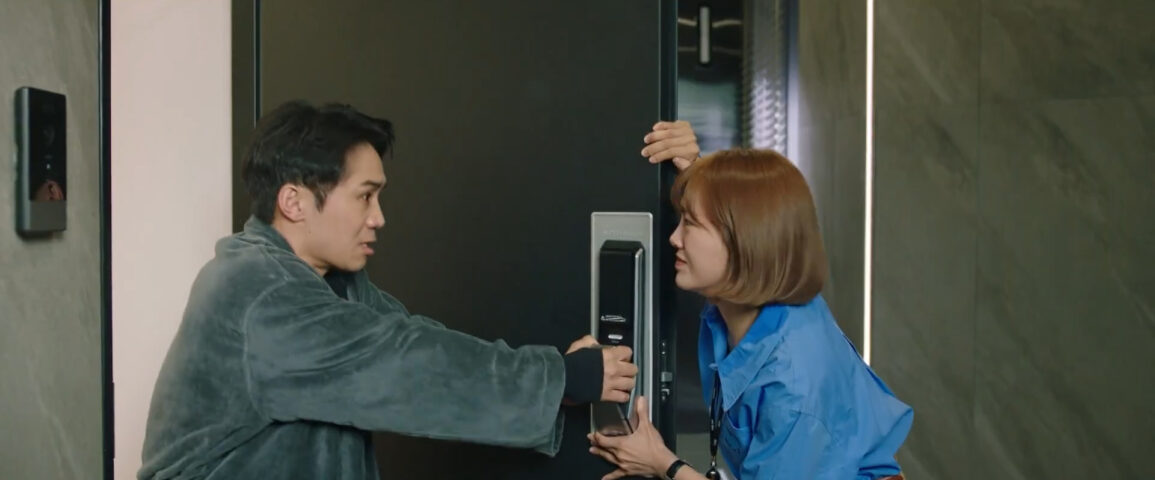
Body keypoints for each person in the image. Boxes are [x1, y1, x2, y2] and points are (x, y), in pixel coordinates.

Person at [138, 101, 698, 479]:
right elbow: (407, 366)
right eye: (365, 196)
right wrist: (561, 377)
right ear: (294, 201)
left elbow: (417, 339)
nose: (379, 217)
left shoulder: (324, 280)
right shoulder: (259, 293)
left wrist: (558, 385)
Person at [588, 148, 913, 480]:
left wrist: (662, 463)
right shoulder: (744, 302)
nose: (674, 238)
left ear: (743, 241)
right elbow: (755, 214)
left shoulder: (793, 389)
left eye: (690, 223)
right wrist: (697, 168)